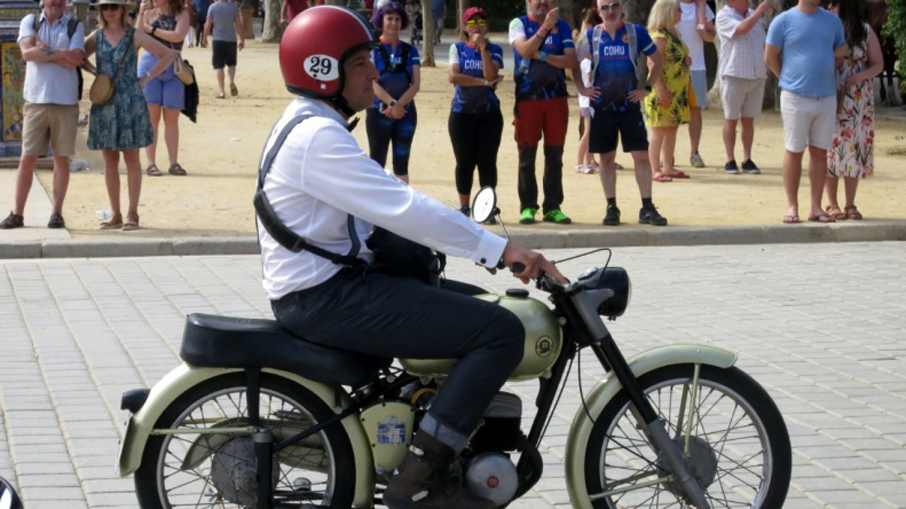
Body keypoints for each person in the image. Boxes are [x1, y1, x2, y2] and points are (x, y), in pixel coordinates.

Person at [263, 7, 564, 508]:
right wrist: (500, 249)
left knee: (488, 308)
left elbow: (386, 211)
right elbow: (402, 207)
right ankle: (418, 479)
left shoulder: (311, 125)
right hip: (326, 297)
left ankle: (434, 428)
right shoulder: (318, 137)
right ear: (323, 70)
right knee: (500, 331)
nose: (375, 72)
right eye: (360, 63)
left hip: (331, 286)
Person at [575, 0, 669, 227]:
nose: (610, 11)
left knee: (641, 156)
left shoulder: (635, 32)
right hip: (602, 108)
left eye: (614, 5)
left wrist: (646, 88)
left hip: (629, 106)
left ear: (622, 7)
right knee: (606, 158)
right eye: (605, 7)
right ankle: (611, 207)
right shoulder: (590, 36)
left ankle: (647, 207)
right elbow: (573, 63)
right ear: (598, 10)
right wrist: (582, 89)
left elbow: (657, 60)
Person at [85, 0, 174, 231]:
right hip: (106, 102)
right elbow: (78, 56)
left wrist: (146, 77)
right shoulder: (96, 36)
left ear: (123, 10)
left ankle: (132, 213)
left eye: (113, 6)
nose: (109, 11)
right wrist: (95, 72)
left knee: (132, 159)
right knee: (109, 160)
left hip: (130, 101)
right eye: (104, 7)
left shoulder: (134, 35)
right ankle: (115, 213)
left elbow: (167, 54)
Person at [1, 0, 84, 230]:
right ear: (43, 1)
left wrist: (44, 49)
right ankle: (18, 212)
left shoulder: (74, 25)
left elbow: (76, 59)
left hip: (65, 101)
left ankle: (57, 212)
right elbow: (27, 54)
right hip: (36, 100)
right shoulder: (30, 21)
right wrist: (60, 53)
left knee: (61, 158)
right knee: (27, 157)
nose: (56, 2)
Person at [765, 0, 847, 224]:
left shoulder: (833, 20)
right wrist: (788, 79)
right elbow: (770, 56)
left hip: (826, 95)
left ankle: (816, 206)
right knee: (794, 150)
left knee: (820, 152)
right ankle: (792, 205)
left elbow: (841, 50)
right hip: (795, 97)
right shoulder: (782, 20)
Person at [509, 0, 578, 225]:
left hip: (556, 98)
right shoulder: (518, 24)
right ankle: (528, 207)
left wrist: (545, 56)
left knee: (554, 156)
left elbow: (570, 60)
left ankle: (553, 207)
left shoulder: (563, 26)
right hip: (528, 99)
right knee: (526, 157)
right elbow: (525, 50)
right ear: (528, 1)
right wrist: (545, 28)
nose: (542, 2)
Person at [824, 0, 883, 220]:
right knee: (832, 147)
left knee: (854, 149)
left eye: (834, 3)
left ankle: (850, 203)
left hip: (858, 98)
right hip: (832, 92)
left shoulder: (865, 31)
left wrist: (859, 76)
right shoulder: (827, 29)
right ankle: (831, 203)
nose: (829, 7)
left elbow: (878, 64)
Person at [448, 7, 503, 219]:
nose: (477, 26)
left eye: (480, 21)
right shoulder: (457, 48)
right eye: (471, 22)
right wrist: (483, 82)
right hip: (462, 113)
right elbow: (454, 76)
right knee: (464, 162)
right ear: (464, 27)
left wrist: (482, 50)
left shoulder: (494, 49)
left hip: (489, 114)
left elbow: (492, 72)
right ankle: (464, 207)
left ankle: (486, 207)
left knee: (487, 161)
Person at [367, 1, 420, 184]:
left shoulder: (410, 50)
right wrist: (391, 103)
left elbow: (415, 84)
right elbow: (372, 83)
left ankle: (402, 207)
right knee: (376, 163)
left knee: (402, 163)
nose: (393, 23)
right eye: (389, 18)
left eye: (397, 19)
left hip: (405, 113)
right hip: (378, 112)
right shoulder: (372, 49)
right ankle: (375, 209)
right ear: (381, 20)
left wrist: (399, 106)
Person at [716, 0, 770, 174]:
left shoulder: (753, 15)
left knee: (749, 120)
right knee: (731, 119)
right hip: (734, 75)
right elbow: (742, 29)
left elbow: (763, 42)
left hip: (756, 75)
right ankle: (729, 159)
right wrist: (760, 10)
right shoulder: (724, 15)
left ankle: (747, 159)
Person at [138, 0, 192, 176]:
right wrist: (140, 14)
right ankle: (151, 163)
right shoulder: (147, 13)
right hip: (150, 64)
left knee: (171, 117)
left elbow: (178, 36)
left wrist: (151, 30)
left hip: (174, 67)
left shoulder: (182, 13)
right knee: (151, 117)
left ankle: (174, 162)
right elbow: (137, 34)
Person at [644, 0, 692, 183]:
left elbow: (674, 56)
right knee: (658, 130)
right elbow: (652, 62)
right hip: (662, 90)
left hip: (677, 92)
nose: (681, 12)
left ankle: (668, 166)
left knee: (672, 128)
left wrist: (685, 61)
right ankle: (654, 169)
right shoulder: (659, 35)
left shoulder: (675, 33)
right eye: (678, 9)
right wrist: (660, 88)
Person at [677, 0, 714, 168]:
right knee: (671, 110)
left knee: (695, 111)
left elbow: (710, 37)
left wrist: (702, 22)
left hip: (697, 67)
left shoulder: (703, 8)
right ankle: (667, 154)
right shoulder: (669, 5)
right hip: (673, 68)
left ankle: (694, 153)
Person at [574, 6, 603, 175]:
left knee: (592, 132)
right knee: (588, 132)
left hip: (592, 100)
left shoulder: (589, 59)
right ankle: (580, 162)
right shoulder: (587, 61)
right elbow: (589, 80)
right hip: (588, 101)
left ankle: (588, 161)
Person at [203, 0, 244, 99]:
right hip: (231, 39)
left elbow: (207, 24)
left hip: (218, 39)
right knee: (231, 63)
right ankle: (232, 81)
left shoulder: (212, 7)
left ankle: (222, 91)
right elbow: (238, 25)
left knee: (218, 66)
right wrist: (242, 39)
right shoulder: (233, 7)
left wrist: (204, 38)